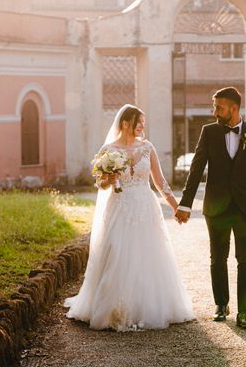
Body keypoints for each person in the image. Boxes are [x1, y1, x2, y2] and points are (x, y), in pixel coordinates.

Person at [64, 104, 194, 331]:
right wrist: (110, 177)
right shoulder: (108, 149)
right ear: (125, 123)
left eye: (143, 122)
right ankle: (113, 308)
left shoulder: (148, 147)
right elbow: (101, 184)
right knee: (117, 253)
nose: (142, 126)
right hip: (119, 208)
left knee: (148, 255)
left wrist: (177, 207)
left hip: (145, 207)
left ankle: (147, 307)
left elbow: (160, 183)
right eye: (138, 121)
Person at [176, 87, 246, 330]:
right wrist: (185, 204)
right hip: (216, 206)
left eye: (219, 107)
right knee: (217, 258)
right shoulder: (208, 132)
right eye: (214, 107)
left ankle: (245, 312)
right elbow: (196, 168)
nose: (215, 112)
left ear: (234, 108)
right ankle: (221, 305)